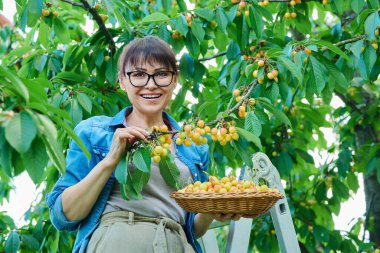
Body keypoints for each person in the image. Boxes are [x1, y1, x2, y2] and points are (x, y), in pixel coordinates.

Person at [46, 35, 240, 253]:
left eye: (162, 74)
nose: (151, 84)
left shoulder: (193, 145)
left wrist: (211, 211)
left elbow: (191, 228)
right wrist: (111, 159)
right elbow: (63, 217)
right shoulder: (94, 133)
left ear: (175, 80)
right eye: (138, 75)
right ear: (122, 81)